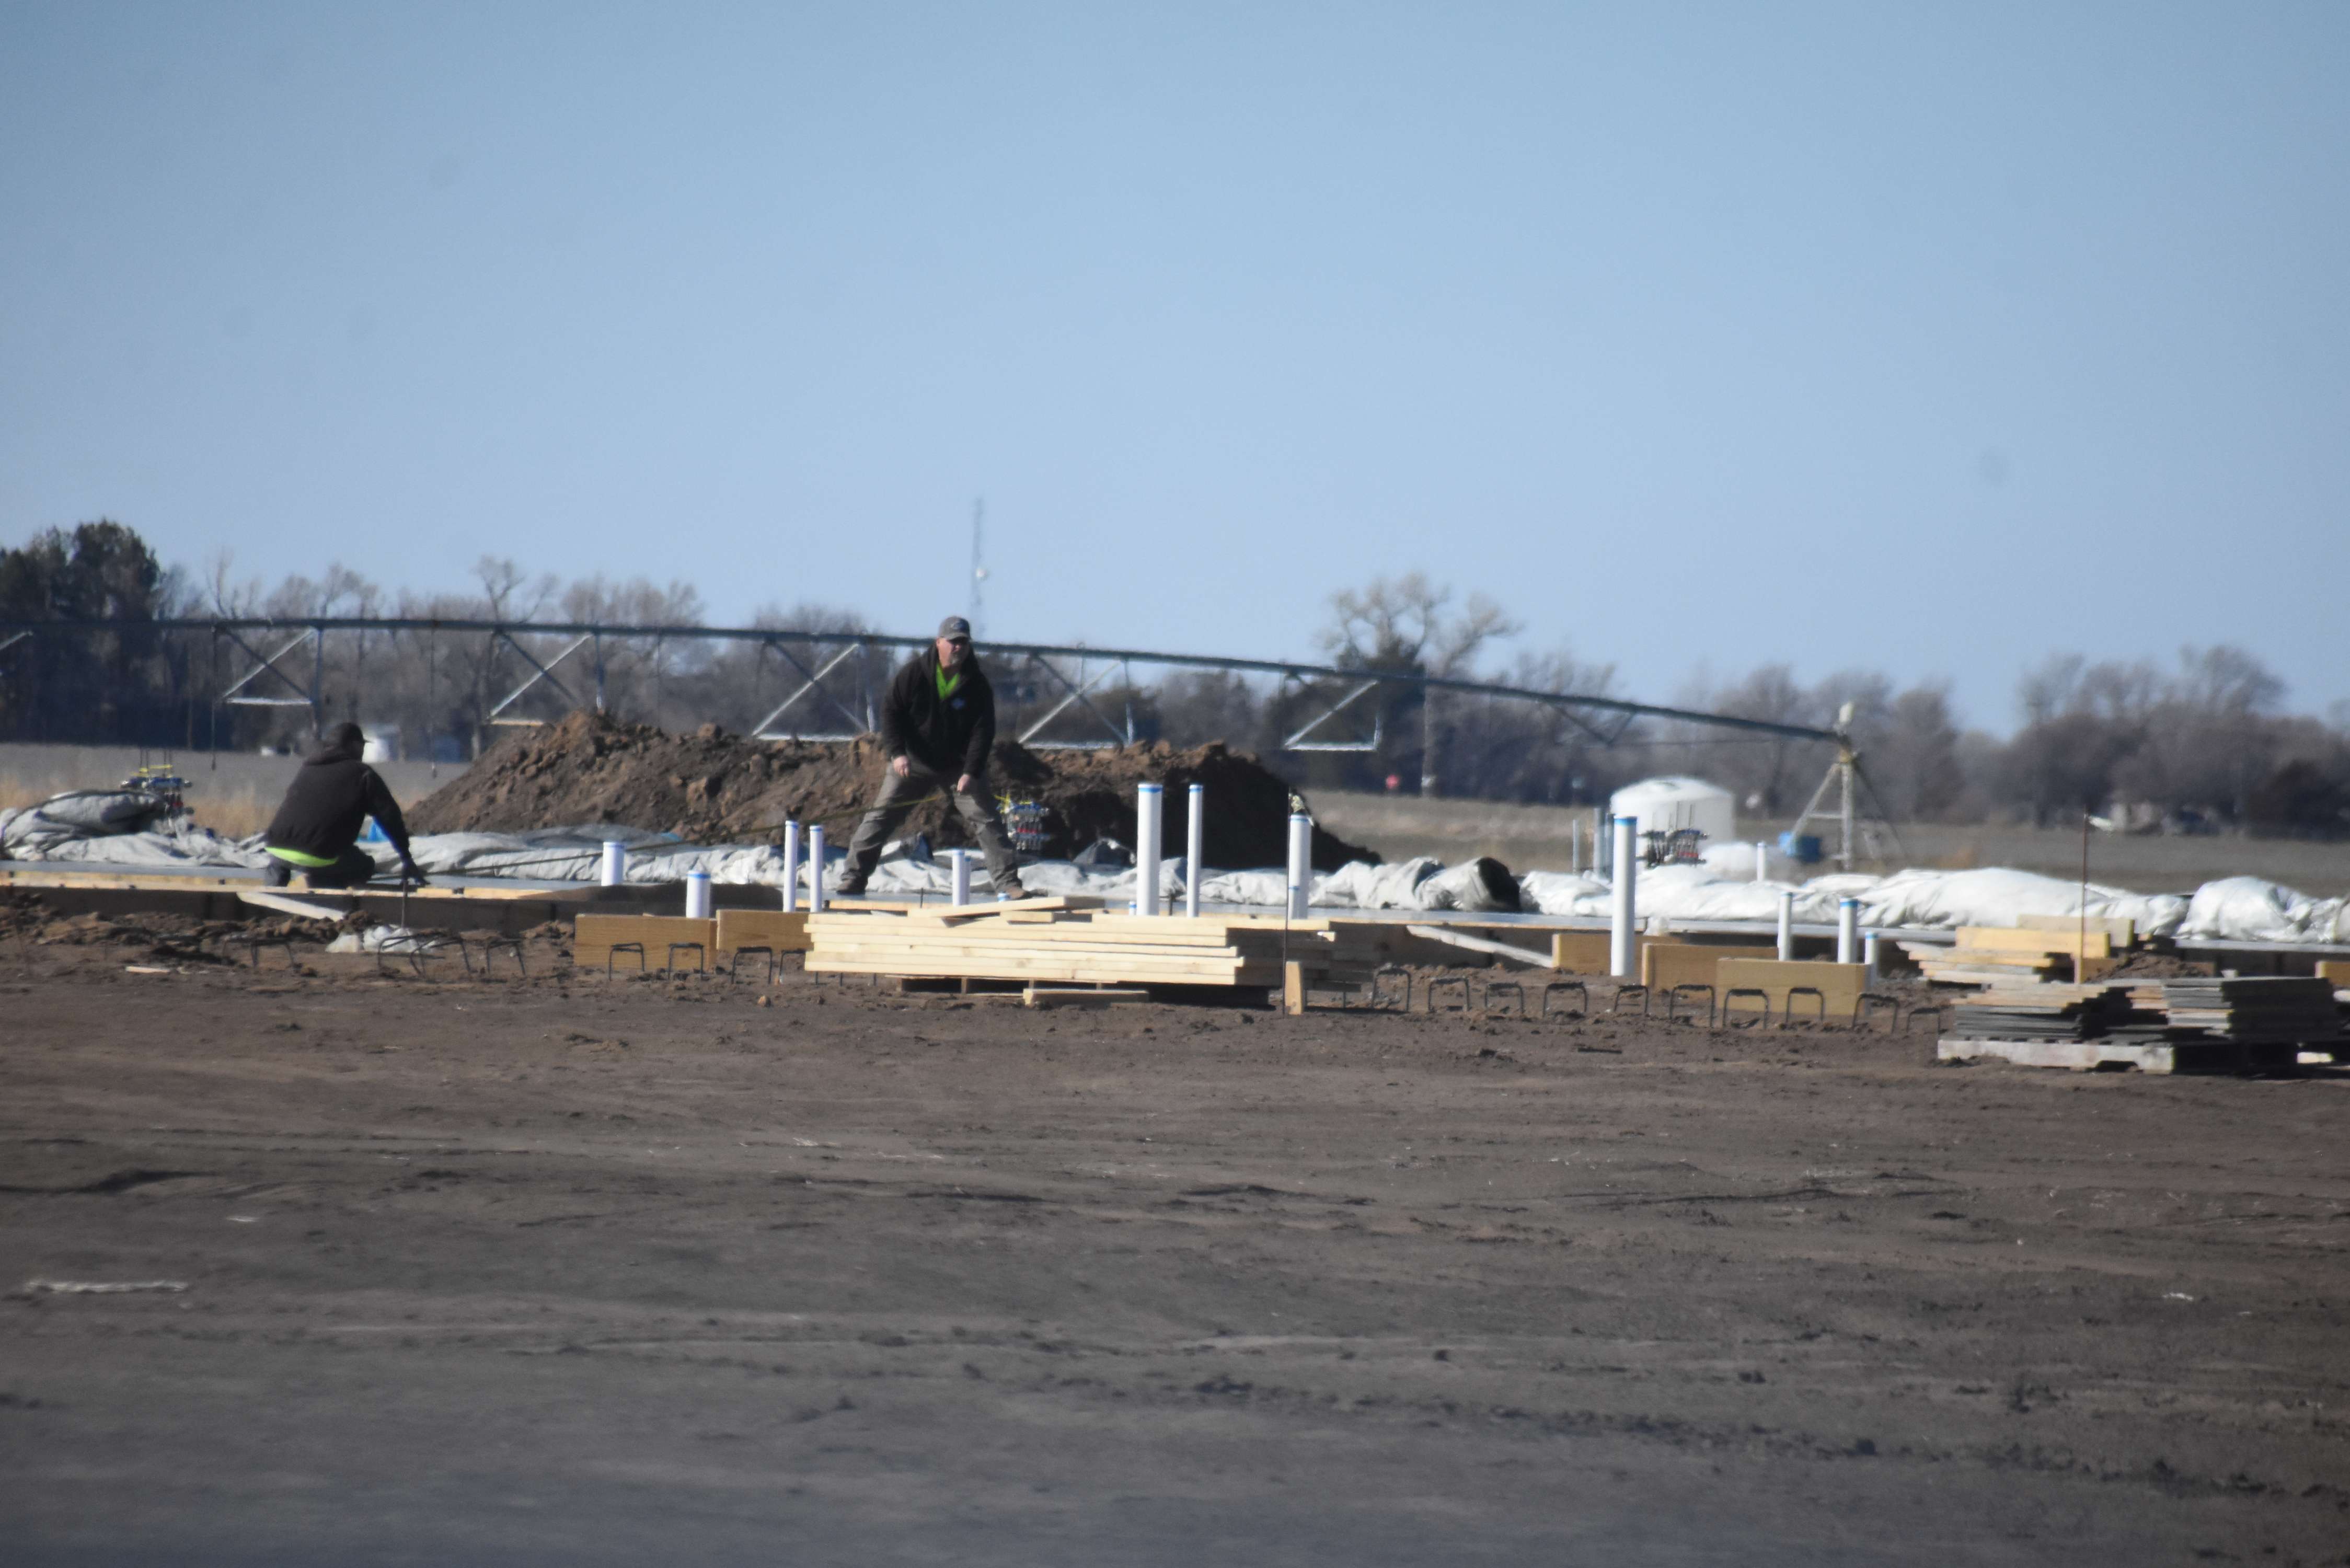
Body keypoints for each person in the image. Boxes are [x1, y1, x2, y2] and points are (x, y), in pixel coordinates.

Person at [838, 617, 1027, 898]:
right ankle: (853, 877)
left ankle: (1009, 884)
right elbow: (891, 713)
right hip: (913, 763)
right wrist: (898, 754)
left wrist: (971, 772)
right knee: (881, 817)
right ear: (939, 643)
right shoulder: (914, 674)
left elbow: (983, 732)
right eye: (953, 642)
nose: (958, 648)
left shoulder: (976, 684)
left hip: (958, 767)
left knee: (987, 821)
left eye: (963, 642)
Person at [260, 721, 428, 889]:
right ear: (354, 745)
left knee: (281, 863)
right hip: (319, 854)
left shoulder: (308, 768)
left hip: (276, 846)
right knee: (364, 866)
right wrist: (406, 857)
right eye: (362, 745)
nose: (363, 751)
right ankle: (326, 894)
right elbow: (389, 817)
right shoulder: (363, 775)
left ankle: (270, 895)